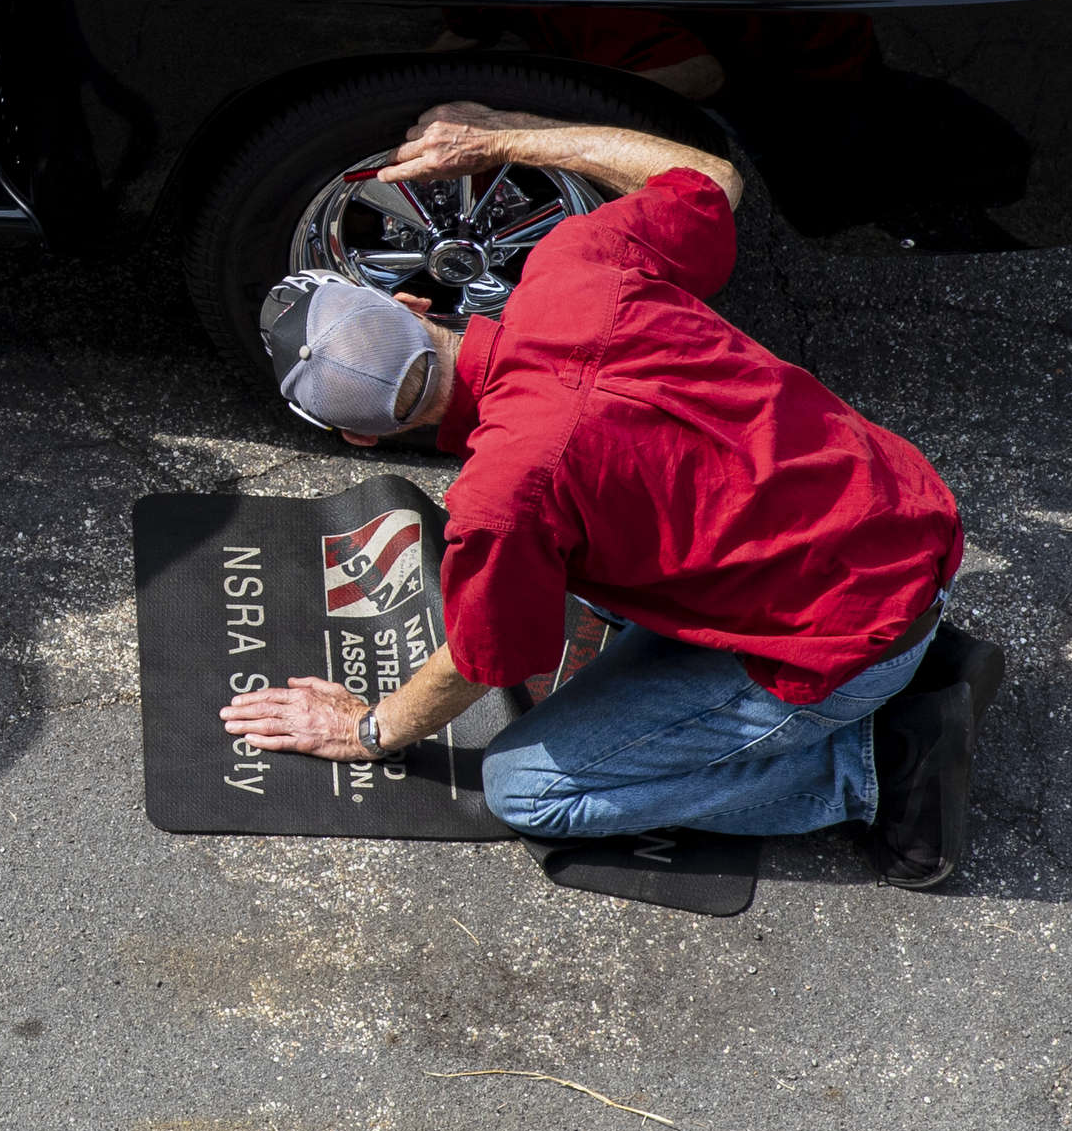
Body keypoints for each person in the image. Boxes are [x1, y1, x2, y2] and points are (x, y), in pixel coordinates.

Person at [219, 102, 1005, 887]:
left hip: (848, 643)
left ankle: (872, 766)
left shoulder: (503, 496)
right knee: (585, 566)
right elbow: (711, 180)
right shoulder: (578, 266)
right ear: (414, 304)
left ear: (362, 437)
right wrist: (500, 136)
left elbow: (482, 658)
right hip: (909, 525)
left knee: (529, 789)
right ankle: (920, 658)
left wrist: (364, 730)